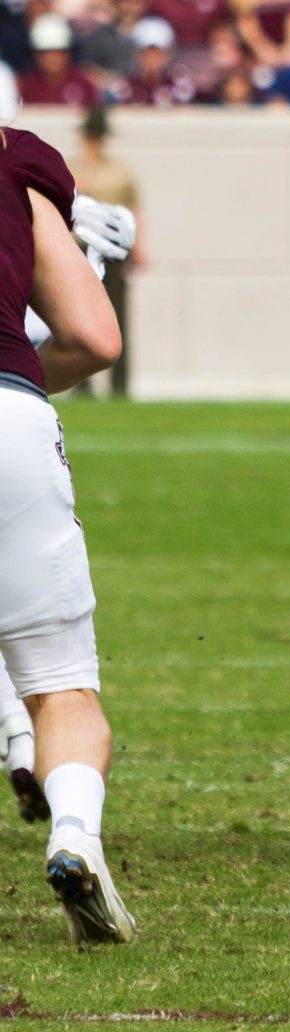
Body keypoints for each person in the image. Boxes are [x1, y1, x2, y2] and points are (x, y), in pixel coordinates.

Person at [0, 127, 130, 944]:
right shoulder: (16, 156)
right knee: (62, 683)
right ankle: (74, 833)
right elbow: (94, 338)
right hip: (6, 414)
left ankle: (14, 734)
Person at [71, 107, 139, 398]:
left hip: (112, 249)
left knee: (117, 317)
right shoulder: (70, 168)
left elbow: (133, 207)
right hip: (80, 249)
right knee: (78, 317)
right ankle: (82, 384)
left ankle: (119, 386)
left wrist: (139, 246)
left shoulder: (119, 171)